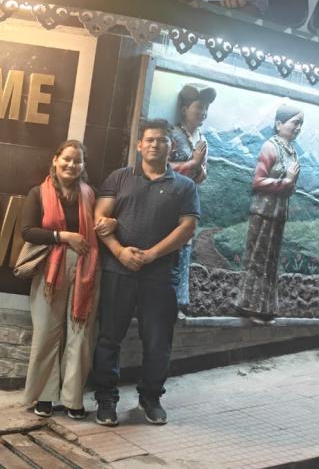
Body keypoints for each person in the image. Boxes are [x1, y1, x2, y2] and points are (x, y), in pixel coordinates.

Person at [91, 119, 200, 427]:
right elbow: (100, 217)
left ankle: (150, 398)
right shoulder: (119, 178)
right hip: (118, 270)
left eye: (161, 140)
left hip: (160, 275)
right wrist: (119, 252)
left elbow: (187, 228)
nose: (155, 144)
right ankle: (106, 399)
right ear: (139, 145)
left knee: (157, 341)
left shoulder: (185, 186)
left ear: (171, 146)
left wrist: (151, 254)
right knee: (109, 337)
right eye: (149, 140)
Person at [21, 141, 113, 419]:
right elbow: (27, 231)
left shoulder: (90, 194)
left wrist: (111, 223)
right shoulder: (39, 193)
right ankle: (44, 397)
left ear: (83, 166)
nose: (72, 165)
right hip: (50, 269)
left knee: (80, 334)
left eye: (78, 161)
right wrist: (64, 237)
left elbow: (101, 224)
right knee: (46, 332)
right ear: (56, 159)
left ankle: (73, 399)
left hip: (86, 269)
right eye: (67, 159)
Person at [236, 105, 303, 325]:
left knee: (270, 261)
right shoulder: (270, 147)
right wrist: (286, 181)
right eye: (295, 122)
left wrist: (290, 184)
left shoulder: (291, 151)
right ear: (279, 124)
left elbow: (290, 186)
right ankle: (249, 305)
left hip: (278, 212)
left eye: (301, 124)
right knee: (258, 259)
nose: (298, 128)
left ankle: (265, 308)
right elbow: (258, 181)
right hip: (263, 211)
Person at [168, 84, 216, 319]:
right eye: (198, 107)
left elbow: (202, 174)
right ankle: (163, 300)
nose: (203, 113)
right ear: (185, 109)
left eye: (205, 108)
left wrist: (200, 168)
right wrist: (193, 163)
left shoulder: (202, 139)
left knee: (185, 248)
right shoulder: (172, 135)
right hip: (169, 200)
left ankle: (179, 301)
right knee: (169, 246)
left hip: (189, 200)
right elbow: (161, 167)